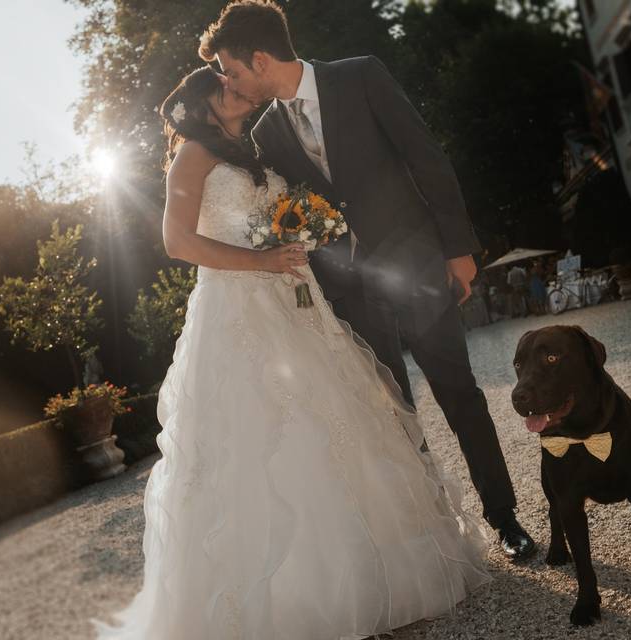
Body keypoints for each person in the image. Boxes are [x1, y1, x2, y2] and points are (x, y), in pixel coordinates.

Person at [90, 65, 491, 640]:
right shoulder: (193, 157)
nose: (237, 89)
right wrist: (260, 261)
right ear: (204, 106)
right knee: (272, 434)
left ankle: (385, 574)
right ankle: (301, 599)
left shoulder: (251, 150)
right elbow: (177, 243)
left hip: (295, 299)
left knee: (341, 419)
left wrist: (301, 234)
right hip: (237, 308)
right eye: (224, 87)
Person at [206, 0, 535, 561]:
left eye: (232, 71)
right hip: (351, 292)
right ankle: (437, 528)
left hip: (417, 265)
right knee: (393, 413)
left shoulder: (360, 75)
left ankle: (504, 518)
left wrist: (459, 248)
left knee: (460, 394)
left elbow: (426, 157)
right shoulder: (268, 134)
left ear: (260, 59)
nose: (231, 84)